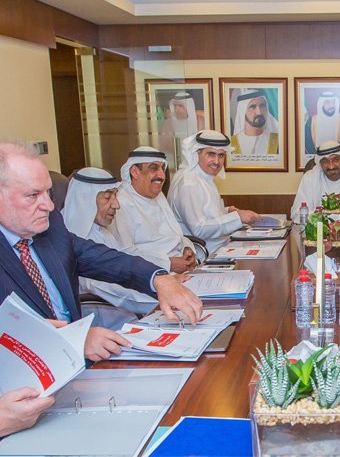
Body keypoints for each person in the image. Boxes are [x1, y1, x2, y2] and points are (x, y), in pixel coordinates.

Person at [0, 142, 203, 363]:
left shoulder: (50, 226)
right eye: (33, 195)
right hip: (30, 371)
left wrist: (158, 279)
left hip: (79, 363)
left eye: (48, 192)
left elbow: (101, 258)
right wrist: (73, 339)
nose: (49, 206)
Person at [62, 167, 157, 315]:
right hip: (106, 321)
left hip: (133, 313)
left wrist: (162, 278)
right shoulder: (70, 239)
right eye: (107, 198)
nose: (116, 205)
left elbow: (126, 263)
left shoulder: (102, 231)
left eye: (115, 196)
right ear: (85, 200)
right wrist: (159, 296)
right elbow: (108, 288)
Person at [108, 146, 197, 273]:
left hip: (181, 266)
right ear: (135, 172)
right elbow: (125, 253)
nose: (161, 175)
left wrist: (187, 249)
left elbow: (176, 233)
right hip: (153, 273)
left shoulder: (158, 195)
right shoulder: (121, 203)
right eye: (153, 168)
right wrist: (168, 264)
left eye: (162, 168)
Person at [168, 131, 260, 253]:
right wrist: (237, 218)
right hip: (204, 253)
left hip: (219, 246)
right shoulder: (189, 183)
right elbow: (199, 229)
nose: (216, 161)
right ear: (197, 153)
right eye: (211, 154)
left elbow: (207, 212)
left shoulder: (204, 177)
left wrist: (228, 211)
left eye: (221, 155)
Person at [159, 91, 206, 167]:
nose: (176, 109)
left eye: (180, 106)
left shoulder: (200, 121)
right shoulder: (168, 123)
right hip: (174, 163)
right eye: (175, 106)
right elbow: (164, 147)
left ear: (189, 106)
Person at [230, 89, 279, 155]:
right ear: (242, 111)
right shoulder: (232, 143)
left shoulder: (277, 141)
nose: (259, 112)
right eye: (253, 107)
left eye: (262, 105)